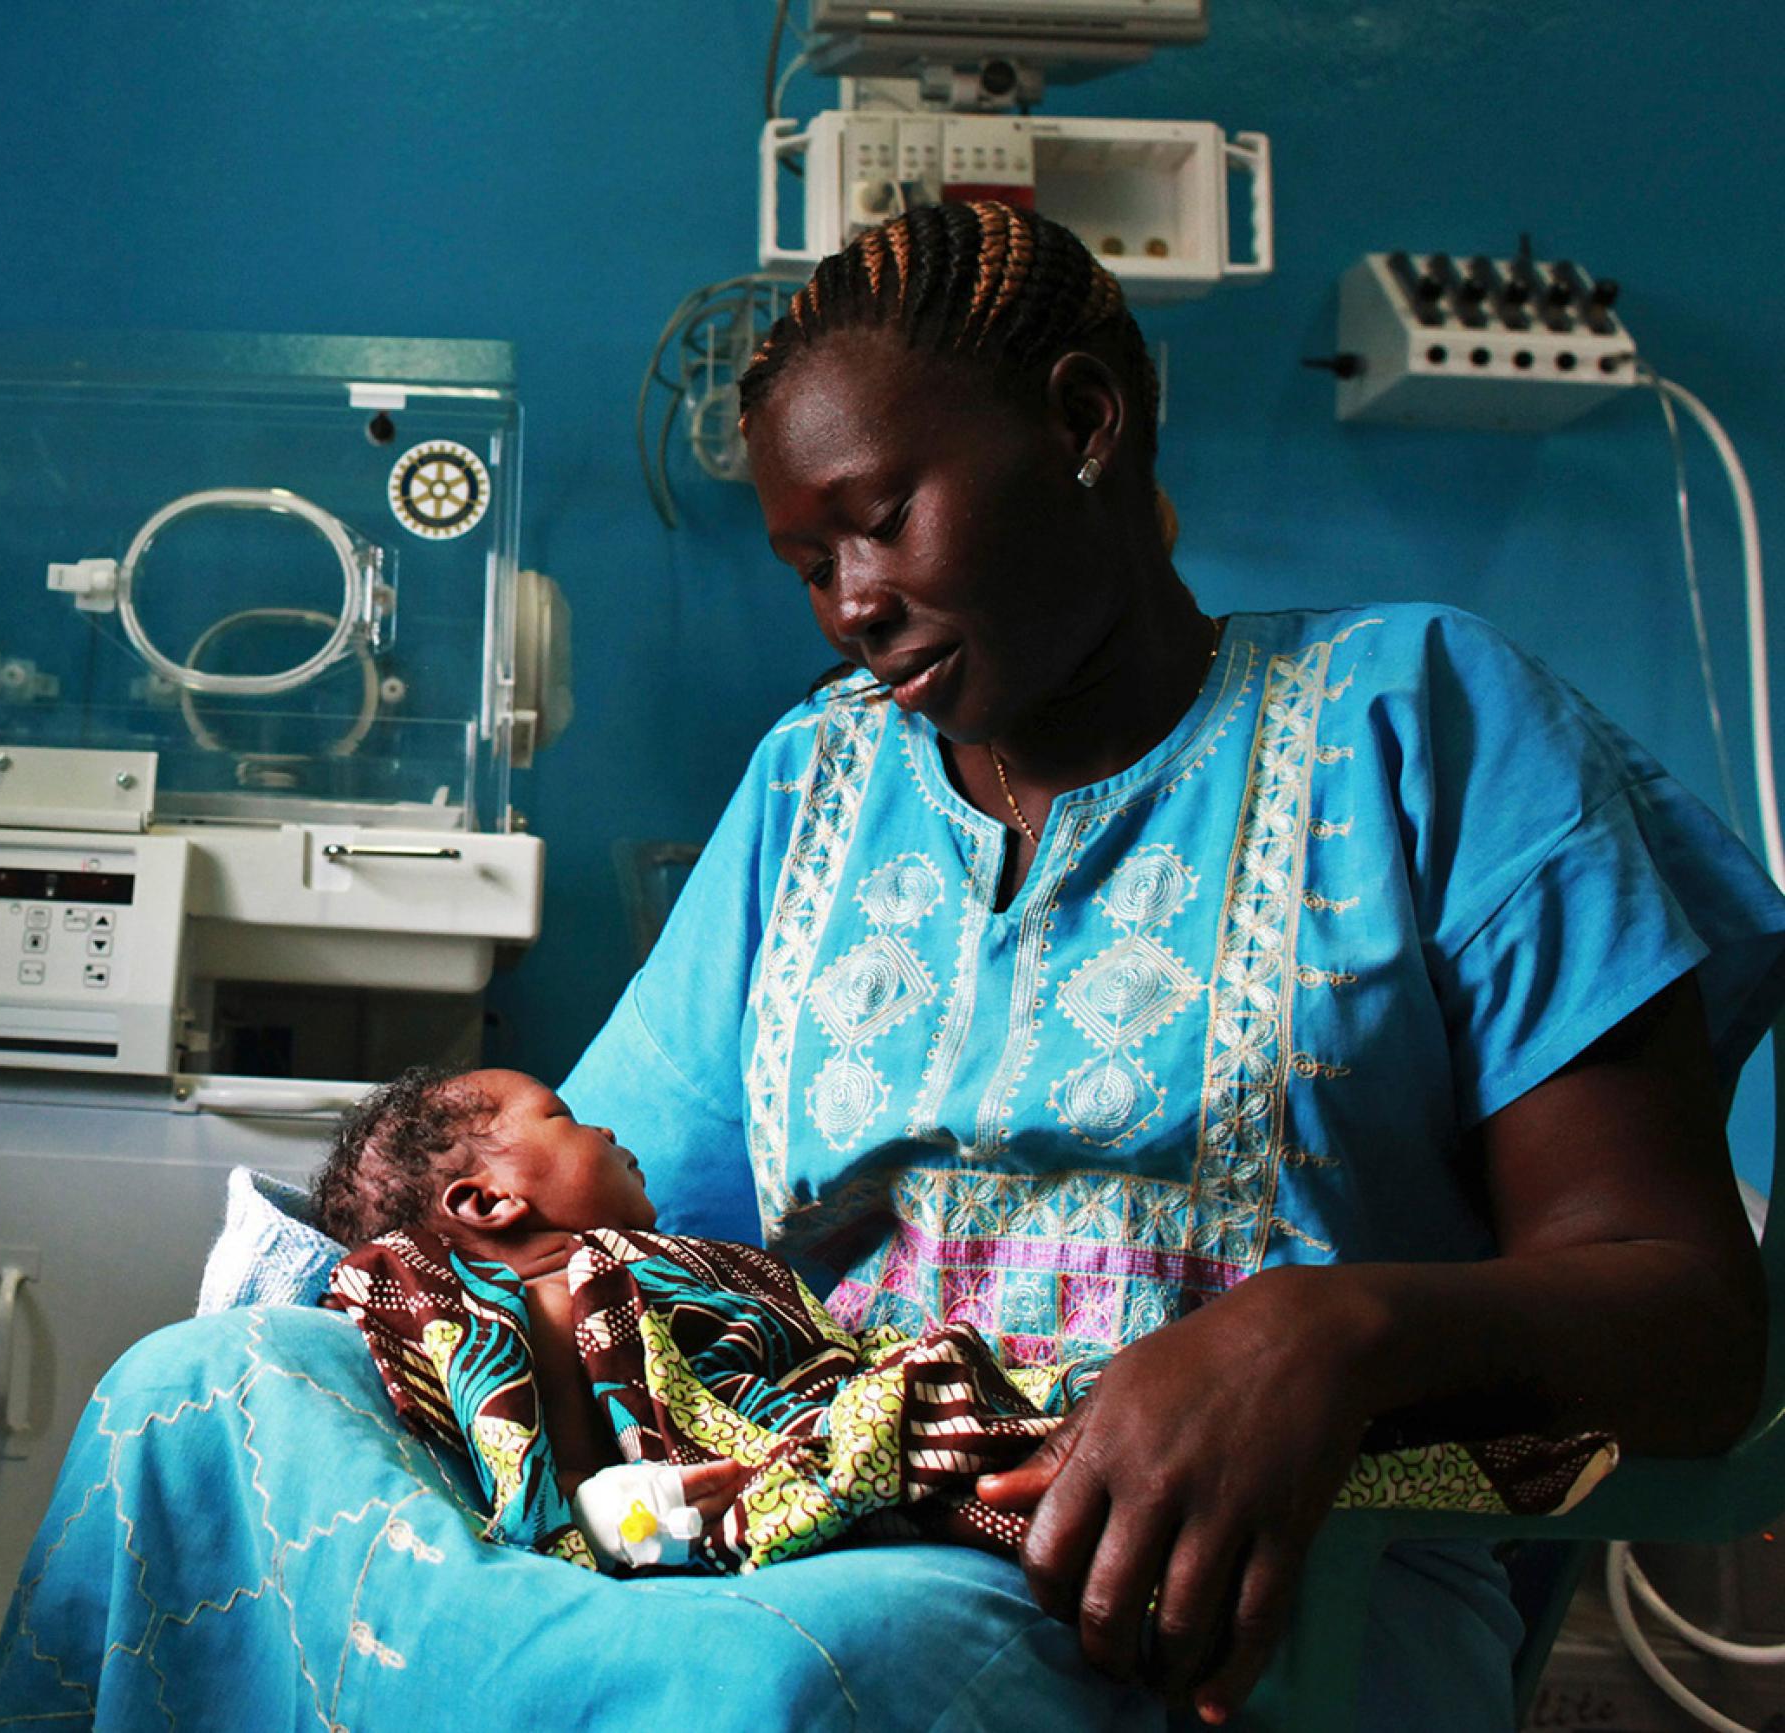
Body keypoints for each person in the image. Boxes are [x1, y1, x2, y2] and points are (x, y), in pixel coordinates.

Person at [554, 199, 1785, 1727]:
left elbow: (1693, 1332)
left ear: (1082, 422)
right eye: (812, 563)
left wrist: (1329, 1333)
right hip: (824, 1543)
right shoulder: (815, 785)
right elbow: (594, 1222)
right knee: (203, 1407)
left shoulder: (1419, 726)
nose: (854, 605)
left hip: (1257, 1623)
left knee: (763, 1692)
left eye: (881, 518)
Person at [311, 1066, 1616, 1583]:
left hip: (877, 1402)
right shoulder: (557, 1290)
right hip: (827, 1451)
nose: (607, 1124)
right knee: (1092, 1451)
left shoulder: (658, 1261)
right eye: (566, 1114)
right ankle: (1471, 1434)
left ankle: (1453, 1413)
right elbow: (586, 1511)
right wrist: (786, 1483)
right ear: (487, 1197)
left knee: (1142, 1408)